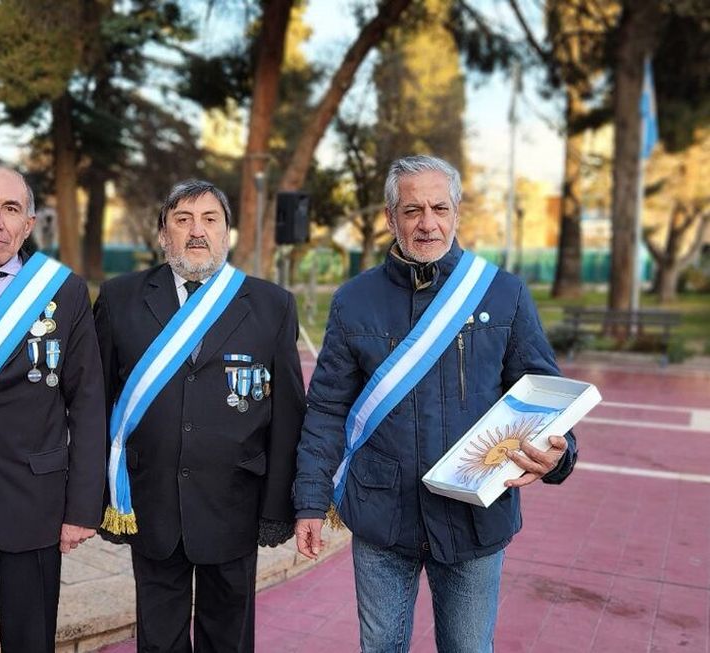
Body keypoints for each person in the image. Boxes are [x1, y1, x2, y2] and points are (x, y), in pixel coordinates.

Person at [293, 155, 577, 653]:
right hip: (383, 517)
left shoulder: (503, 293)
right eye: (412, 210)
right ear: (390, 217)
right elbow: (326, 409)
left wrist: (560, 453)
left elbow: (544, 392)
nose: (428, 223)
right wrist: (311, 501)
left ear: (457, 212)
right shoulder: (353, 300)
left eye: (439, 208)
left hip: (474, 519)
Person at [94, 179, 306, 652]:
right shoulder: (119, 298)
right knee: (159, 639)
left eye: (210, 219)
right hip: (151, 504)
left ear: (227, 233)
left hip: (234, 505)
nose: (197, 231)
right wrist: (101, 498)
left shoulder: (271, 304)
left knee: (228, 639)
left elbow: (289, 415)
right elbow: (98, 404)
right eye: (182, 220)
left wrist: (278, 507)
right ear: (162, 234)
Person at [0, 166, 106, 653]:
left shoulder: (63, 290)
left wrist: (83, 508)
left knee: (30, 640)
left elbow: (88, 402)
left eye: (11, 209)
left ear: (28, 224)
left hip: (35, 497)